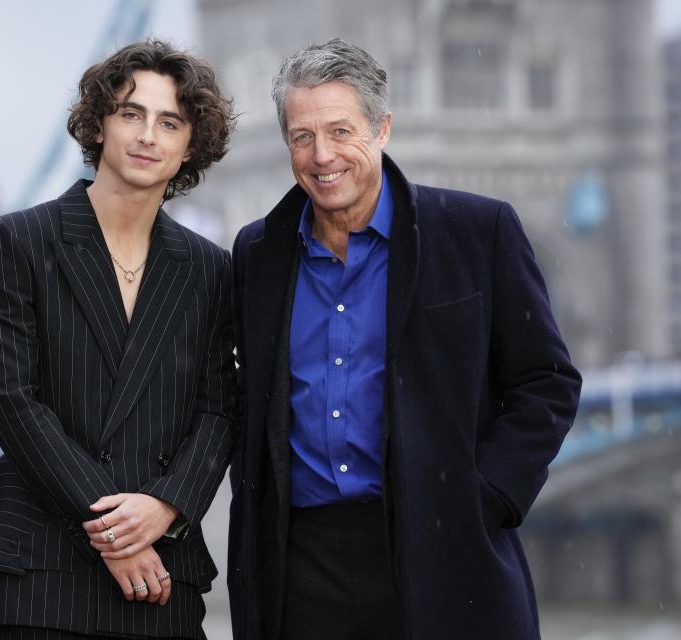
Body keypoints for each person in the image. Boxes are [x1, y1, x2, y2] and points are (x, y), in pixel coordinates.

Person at [227, 38, 582, 640]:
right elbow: (240, 400)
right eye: (302, 136)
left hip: (442, 549)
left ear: (383, 127)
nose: (322, 156)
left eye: (341, 131)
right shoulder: (256, 253)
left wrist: (486, 498)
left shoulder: (477, 232)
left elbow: (546, 382)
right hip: (298, 565)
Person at [0, 39, 236, 640]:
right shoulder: (21, 241)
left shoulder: (211, 269)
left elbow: (220, 409)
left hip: (162, 567)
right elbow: (13, 403)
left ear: (189, 148)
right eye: (131, 113)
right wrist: (113, 532)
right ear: (99, 125)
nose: (148, 135)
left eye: (169, 122)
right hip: (39, 567)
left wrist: (168, 505)